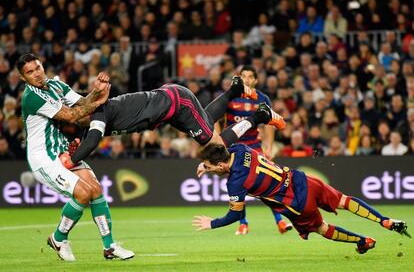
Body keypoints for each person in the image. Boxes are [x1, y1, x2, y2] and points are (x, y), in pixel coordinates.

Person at [193, 142, 410, 254]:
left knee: (321, 228)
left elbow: (235, 214)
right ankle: (384, 220)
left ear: (221, 165)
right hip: (303, 180)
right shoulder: (240, 149)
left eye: (212, 168)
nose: (210, 170)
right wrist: (207, 163)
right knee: (344, 200)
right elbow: (224, 146)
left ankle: (363, 241)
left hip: (296, 203)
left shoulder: (235, 182)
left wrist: (212, 223)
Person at [18, 53, 134, 261]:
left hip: (62, 149)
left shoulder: (56, 86)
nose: (35, 74)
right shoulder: (31, 97)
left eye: (37, 68)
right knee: (83, 193)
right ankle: (59, 237)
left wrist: (96, 92)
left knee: (96, 189)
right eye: (29, 72)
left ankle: (110, 247)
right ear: (22, 77)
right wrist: (99, 102)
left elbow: (81, 103)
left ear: (42, 66)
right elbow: (72, 115)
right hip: (43, 158)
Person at [61, 75, 287, 169]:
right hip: (171, 109)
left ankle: (260, 115)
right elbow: (87, 137)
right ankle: (236, 89)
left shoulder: (98, 113)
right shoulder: (95, 118)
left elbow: (91, 143)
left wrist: (72, 160)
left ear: (84, 111)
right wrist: (76, 142)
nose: (74, 120)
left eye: (74, 116)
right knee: (207, 123)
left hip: (177, 104)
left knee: (215, 146)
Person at [220, 65, 292, 235]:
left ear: (256, 80)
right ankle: (243, 223)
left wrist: (268, 146)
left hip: (253, 146)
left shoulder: (262, 98)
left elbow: (270, 124)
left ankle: (280, 221)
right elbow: (218, 119)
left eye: (250, 76)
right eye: (243, 76)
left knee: (268, 184)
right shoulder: (231, 96)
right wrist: (218, 140)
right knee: (239, 185)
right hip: (233, 148)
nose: (246, 79)